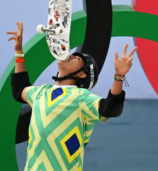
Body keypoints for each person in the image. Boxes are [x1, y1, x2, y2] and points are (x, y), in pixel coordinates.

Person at [8, 21, 137, 171]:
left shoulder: (81, 97)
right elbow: (19, 89)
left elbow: (110, 109)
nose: (70, 55)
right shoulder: (40, 92)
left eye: (77, 58)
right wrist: (18, 53)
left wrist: (119, 76)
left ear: (81, 74)